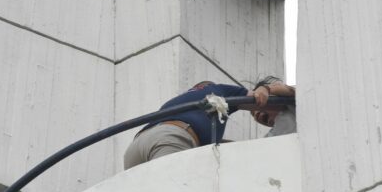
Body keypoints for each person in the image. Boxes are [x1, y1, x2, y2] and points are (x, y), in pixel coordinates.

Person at [123, 77, 295, 169]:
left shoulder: (176, 103)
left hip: (135, 148)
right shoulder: (220, 90)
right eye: (263, 116)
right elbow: (267, 96)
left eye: (264, 120)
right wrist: (266, 90)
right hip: (170, 140)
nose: (270, 120)